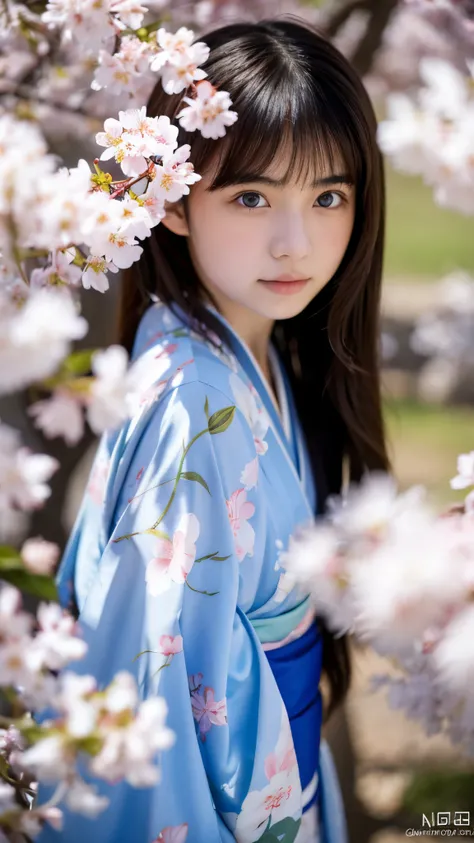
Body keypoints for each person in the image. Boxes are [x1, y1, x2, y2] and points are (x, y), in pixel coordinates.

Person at [36, 16, 391, 843]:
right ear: (175, 203)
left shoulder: (244, 364)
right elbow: (148, 678)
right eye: (252, 196)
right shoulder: (191, 399)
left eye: (328, 196)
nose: (295, 241)